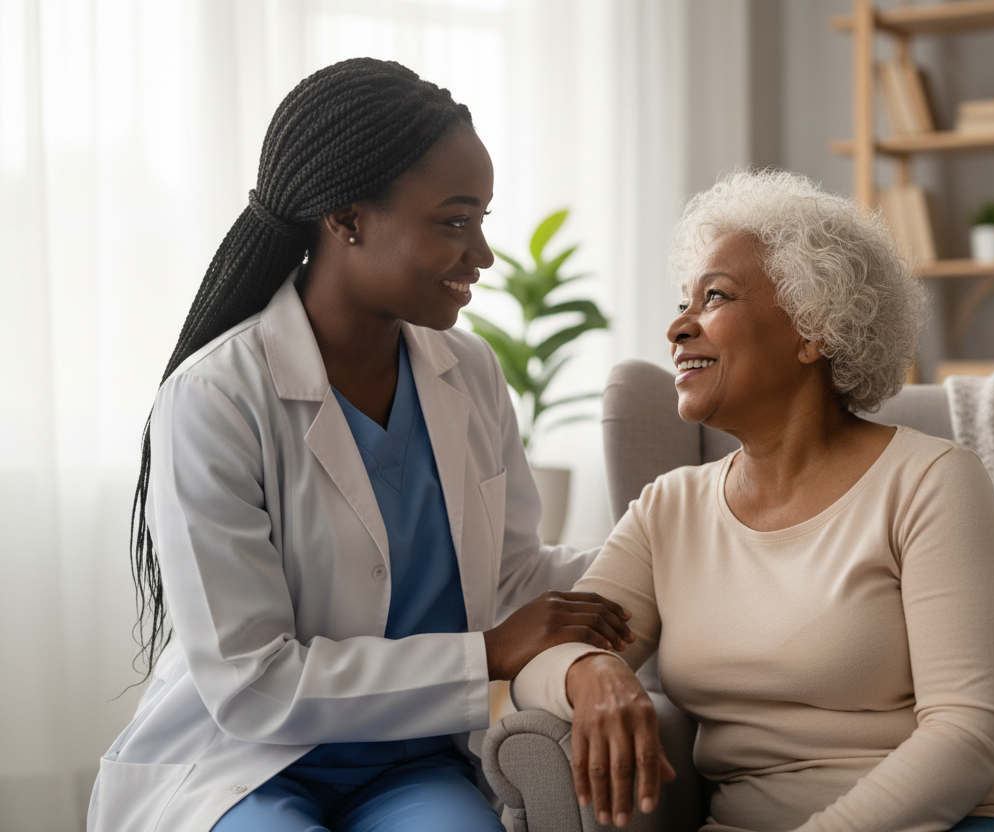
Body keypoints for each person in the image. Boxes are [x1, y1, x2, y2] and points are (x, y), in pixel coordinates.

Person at [88, 58, 635, 832]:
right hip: (244, 764)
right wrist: (487, 654)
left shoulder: (469, 372)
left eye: (482, 220)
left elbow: (514, 574)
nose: (481, 254)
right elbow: (253, 684)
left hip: (412, 766)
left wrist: (673, 548)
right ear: (346, 220)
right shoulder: (216, 396)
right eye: (453, 222)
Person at [511, 169, 994, 832]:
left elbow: (972, 732)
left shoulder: (931, 481)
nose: (678, 327)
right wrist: (589, 670)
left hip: (965, 819)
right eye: (682, 302)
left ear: (816, 329)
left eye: (713, 297)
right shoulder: (668, 510)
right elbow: (540, 664)